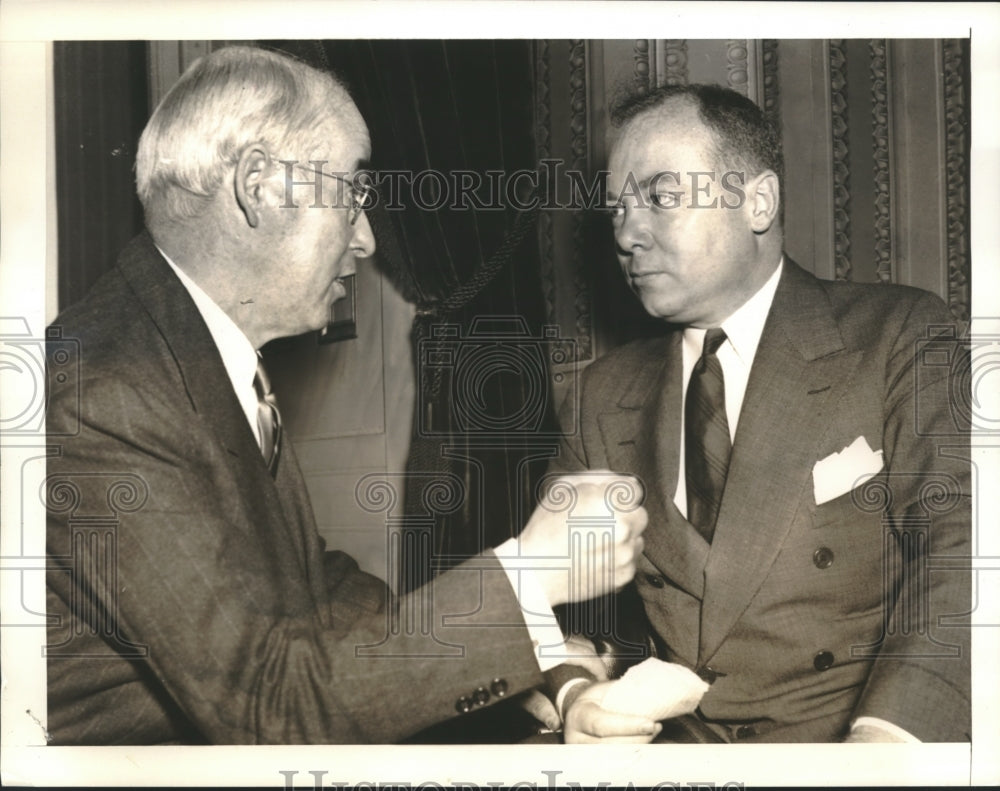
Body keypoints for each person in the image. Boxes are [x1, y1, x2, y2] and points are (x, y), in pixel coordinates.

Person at [44, 46, 652, 745]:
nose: (365, 238)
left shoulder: (189, 347)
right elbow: (267, 708)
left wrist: (528, 654)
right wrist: (534, 572)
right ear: (258, 186)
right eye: (353, 194)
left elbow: (316, 589)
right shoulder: (106, 390)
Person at [556, 84, 971, 743]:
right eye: (617, 210)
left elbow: (963, 552)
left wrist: (888, 742)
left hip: (850, 743)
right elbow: (560, 604)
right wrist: (577, 691)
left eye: (660, 197)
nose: (628, 235)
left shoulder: (898, 335)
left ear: (759, 201)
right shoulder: (598, 396)